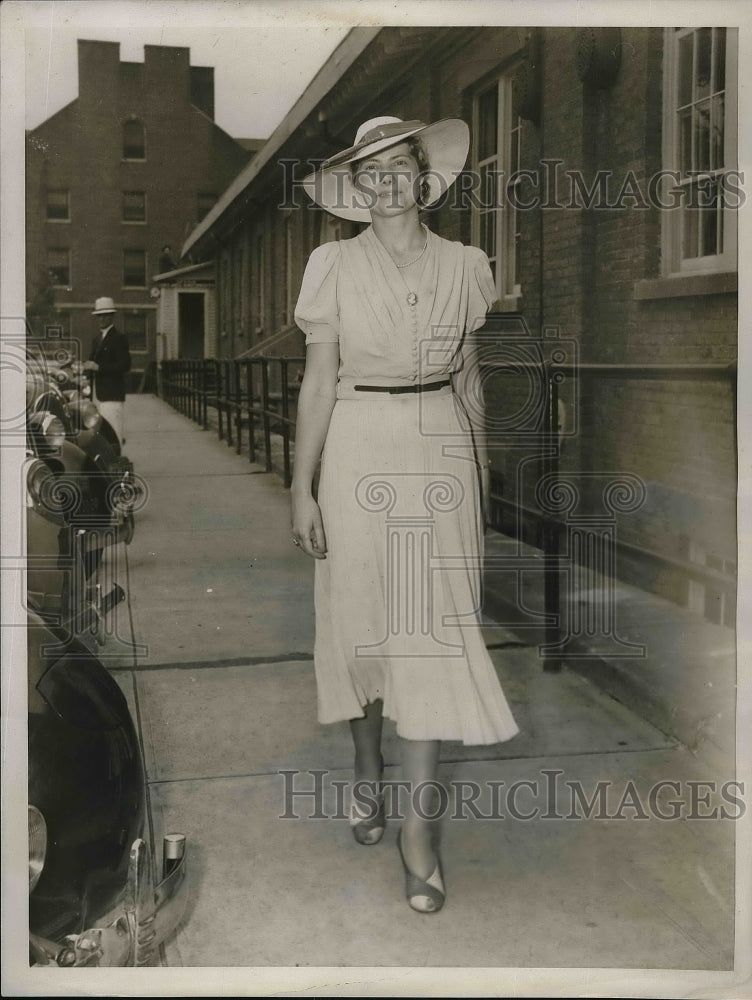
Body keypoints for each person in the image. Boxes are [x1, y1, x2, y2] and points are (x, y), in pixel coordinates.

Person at [291, 116, 519, 914]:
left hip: (442, 455)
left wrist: (481, 478)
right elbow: (319, 383)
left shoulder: (466, 266)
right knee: (363, 626)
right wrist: (301, 487)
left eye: (402, 166)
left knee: (429, 636)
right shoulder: (332, 265)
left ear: (425, 179)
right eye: (373, 169)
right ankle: (366, 772)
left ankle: (417, 836)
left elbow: (470, 382)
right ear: (357, 188)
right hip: (355, 450)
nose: (388, 180)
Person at [84, 297, 132, 445]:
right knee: (99, 434)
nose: (102, 319)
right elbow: (93, 363)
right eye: (99, 315)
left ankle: (117, 464)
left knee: (114, 432)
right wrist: (87, 371)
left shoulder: (119, 338)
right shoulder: (97, 339)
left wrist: (98, 368)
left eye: (106, 315)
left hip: (111, 395)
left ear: (112, 316)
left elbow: (125, 365)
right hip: (96, 395)